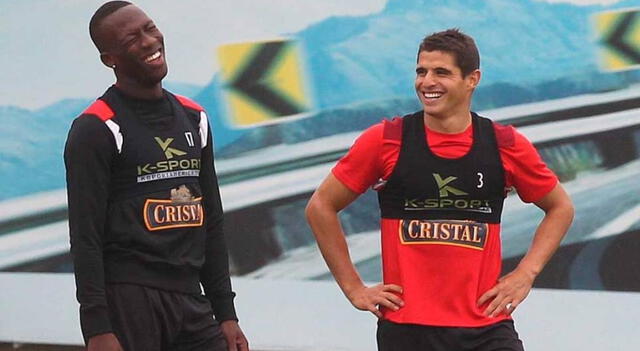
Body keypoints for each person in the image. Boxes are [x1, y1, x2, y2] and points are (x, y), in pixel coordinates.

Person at [305, 28, 574, 351]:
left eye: (441, 72)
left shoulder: (504, 144)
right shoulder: (386, 140)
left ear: (472, 79)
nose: (426, 82)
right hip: (407, 331)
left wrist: (526, 273)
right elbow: (320, 206)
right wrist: (354, 288)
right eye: (421, 71)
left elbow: (560, 207)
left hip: (487, 326)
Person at [64, 2, 249, 350]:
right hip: (129, 303)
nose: (150, 41)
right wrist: (97, 328)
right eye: (133, 38)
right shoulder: (96, 127)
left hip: (193, 301)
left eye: (150, 28)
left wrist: (226, 313)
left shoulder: (194, 117)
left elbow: (212, 222)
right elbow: (85, 237)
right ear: (109, 59)